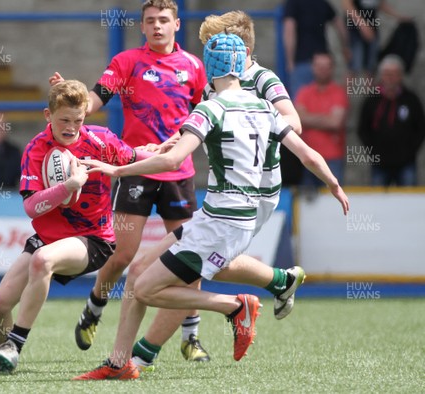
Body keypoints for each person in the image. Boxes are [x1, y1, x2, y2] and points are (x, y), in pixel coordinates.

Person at [73, 33, 349, 380]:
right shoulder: (263, 106)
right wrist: (334, 183)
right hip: (225, 216)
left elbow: (174, 159)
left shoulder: (212, 107)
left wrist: (118, 169)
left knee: (144, 287)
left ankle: (236, 306)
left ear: (209, 65)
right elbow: (307, 153)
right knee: (141, 267)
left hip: (221, 222)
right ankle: (119, 363)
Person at [125, 10, 306, 372]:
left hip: (254, 193)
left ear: (243, 49)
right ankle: (280, 279)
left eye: (214, 47)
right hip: (224, 195)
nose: (209, 55)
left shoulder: (263, 80)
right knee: (178, 264)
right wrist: (172, 142)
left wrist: (254, 120)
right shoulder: (215, 85)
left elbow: (295, 123)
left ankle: (142, 356)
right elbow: (199, 123)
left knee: (191, 267)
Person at [49, 0, 211, 362]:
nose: (157, 26)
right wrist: (71, 99)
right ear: (141, 26)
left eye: (163, 20)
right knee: (122, 253)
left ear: (177, 25)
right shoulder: (127, 62)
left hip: (180, 174)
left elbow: (205, 115)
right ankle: (94, 306)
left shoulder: (194, 67)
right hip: (135, 167)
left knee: (191, 254)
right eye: (150, 21)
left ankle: (192, 336)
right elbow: (96, 98)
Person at [0, 80, 159, 374]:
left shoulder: (99, 140)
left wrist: (163, 151)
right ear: (47, 116)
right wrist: (67, 187)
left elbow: (132, 156)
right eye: (64, 120)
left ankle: (15, 345)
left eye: (78, 120)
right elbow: (30, 206)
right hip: (48, 236)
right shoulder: (36, 150)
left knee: (44, 260)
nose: (71, 127)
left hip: (93, 239)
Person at [357, 55, 425, 186]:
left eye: (394, 74)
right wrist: (373, 152)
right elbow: (363, 129)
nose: (390, 78)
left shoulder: (411, 99)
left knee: (408, 200)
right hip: (379, 163)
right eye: (387, 74)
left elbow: (420, 128)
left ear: (401, 76)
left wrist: (410, 151)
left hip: (406, 163)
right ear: (381, 76)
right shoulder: (372, 99)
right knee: (377, 202)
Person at [295, 53, 349, 187]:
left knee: (334, 200)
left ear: (332, 68)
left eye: (326, 66)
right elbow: (298, 120)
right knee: (307, 203)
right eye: (319, 66)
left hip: (332, 158)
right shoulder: (304, 92)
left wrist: (309, 118)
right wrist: (325, 118)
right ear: (312, 67)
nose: (322, 70)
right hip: (307, 157)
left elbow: (335, 123)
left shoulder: (339, 92)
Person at [283, 0, 348, 100]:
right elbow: (339, 24)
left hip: (302, 60)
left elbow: (289, 29)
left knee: (300, 102)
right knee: (324, 101)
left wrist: (290, 61)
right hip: (323, 60)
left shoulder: (293, 3)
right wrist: (345, 47)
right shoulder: (322, 2)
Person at [343, 0, 412, 78]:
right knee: (353, 67)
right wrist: (362, 25)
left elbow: (381, 4)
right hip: (354, 30)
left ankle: (368, 90)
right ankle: (346, 90)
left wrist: (399, 16)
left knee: (371, 67)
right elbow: (347, 6)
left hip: (372, 28)